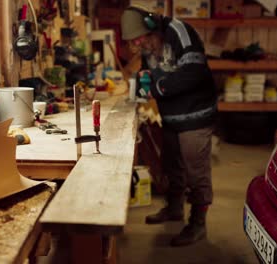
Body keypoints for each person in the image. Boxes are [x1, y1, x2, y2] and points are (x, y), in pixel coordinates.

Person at [121, 6, 217, 247]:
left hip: (195, 114)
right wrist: (142, 83)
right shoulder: (147, 43)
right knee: (171, 165)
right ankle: (175, 209)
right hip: (172, 116)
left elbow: (194, 73)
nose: (140, 46)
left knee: (196, 173)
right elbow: (149, 72)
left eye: (142, 40)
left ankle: (198, 224)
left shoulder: (179, 32)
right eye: (134, 43)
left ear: (153, 28)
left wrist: (158, 89)